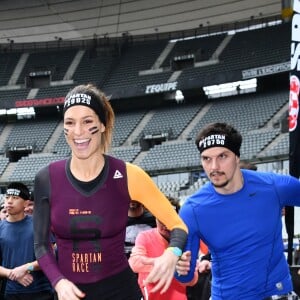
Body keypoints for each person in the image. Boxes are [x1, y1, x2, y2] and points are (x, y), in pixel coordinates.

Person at [33, 83, 188, 300]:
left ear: (103, 125)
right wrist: (58, 282)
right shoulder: (46, 178)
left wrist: (172, 253)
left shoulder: (129, 175)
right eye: (70, 122)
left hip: (121, 291)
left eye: (88, 122)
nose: (78, 132)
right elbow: (41, 244)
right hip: (69, 293)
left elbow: (178, 226)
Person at [175, 122, 300, 300]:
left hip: (277, 292)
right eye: (206, 159)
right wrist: (180, 268)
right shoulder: (192, 209)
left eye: (222, 156)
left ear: (237, 157)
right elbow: (185, 277)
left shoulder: (274, 186)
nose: (214, 167)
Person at [129, 196, 197, 300]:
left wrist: (185, 272)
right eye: (160, 219)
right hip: (151, 295)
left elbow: (193, 280)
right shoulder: (145, 236)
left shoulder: (186, 239)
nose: (165, 225)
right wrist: (166, 264)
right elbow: (134, 263)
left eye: (168, 219)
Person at [0, 182, 53, 300]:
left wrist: (26, 268)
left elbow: (50, 256)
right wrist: (11, 274)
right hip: (11, 293)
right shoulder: (0, 228)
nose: (9, 201)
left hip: (40, 291)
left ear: (26, 203)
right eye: (7, 197)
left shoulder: (39, 224)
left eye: (15, 198)